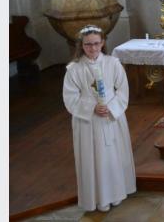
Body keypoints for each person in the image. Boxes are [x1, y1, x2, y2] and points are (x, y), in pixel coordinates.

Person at [63, 25, 136, 212]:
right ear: (82, 45)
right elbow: (70, 98)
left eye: (96, 44)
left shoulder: (113, 63)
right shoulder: (74, 69)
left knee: (113, 156)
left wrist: (111, 107)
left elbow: (123, 90)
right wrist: (92, 108)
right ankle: (98, 199)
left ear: (102, 43)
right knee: (93, 159)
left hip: (112, 117)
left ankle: (117, 193)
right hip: (88, 122)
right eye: (88, 45)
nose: (93, 49)